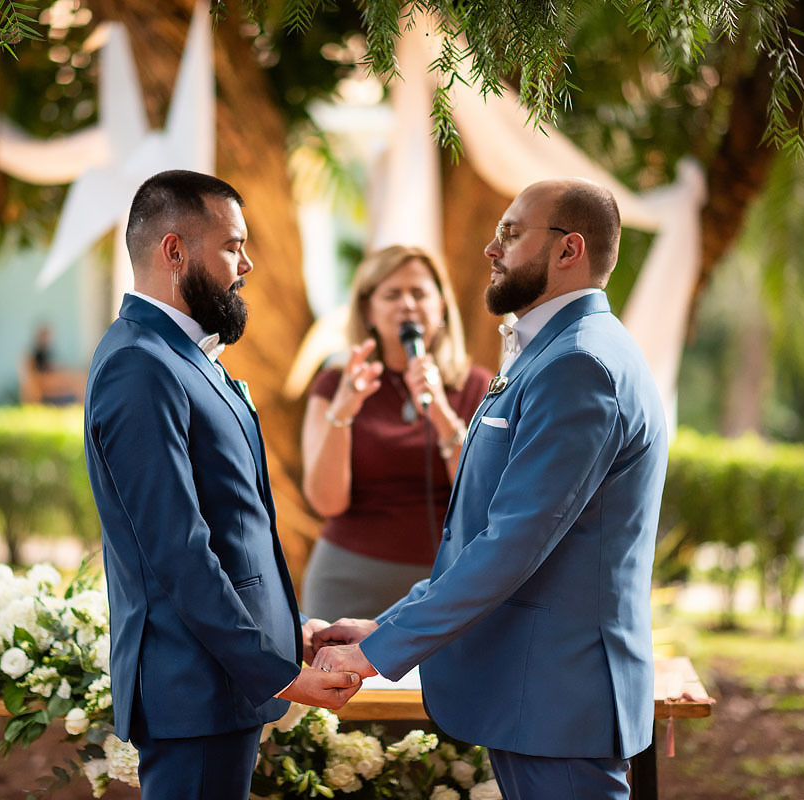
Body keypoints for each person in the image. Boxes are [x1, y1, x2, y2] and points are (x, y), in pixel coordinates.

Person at [313, 179, 670, 800]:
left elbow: (513, 541)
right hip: (531, 691)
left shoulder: (578, 365)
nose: (491, 248)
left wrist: (383, 652)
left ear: (569, 250)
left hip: (558, 696)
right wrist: (383, 626)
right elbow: (483, 530)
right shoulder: (551, 352)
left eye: (511, 232)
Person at [83, 170, 360, 800]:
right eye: (233, 245)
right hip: (192, 688)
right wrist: (278, 675)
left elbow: (238, 528)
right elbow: (177, 551)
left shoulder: (183, 356)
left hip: (220, 686)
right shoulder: (138, 364)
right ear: (174, 251)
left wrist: (293, 629)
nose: (248, 263)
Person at [300, 245, 492, 619]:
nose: (407, 304)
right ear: (368, 310)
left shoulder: (479, 386)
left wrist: (440, 411)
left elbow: (482, 499)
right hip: (347, 583)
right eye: (392, 294)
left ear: (441, 308)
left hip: (445, 584)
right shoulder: (336, 383)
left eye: (419, 293)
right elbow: (326, 502)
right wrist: (343, 413)